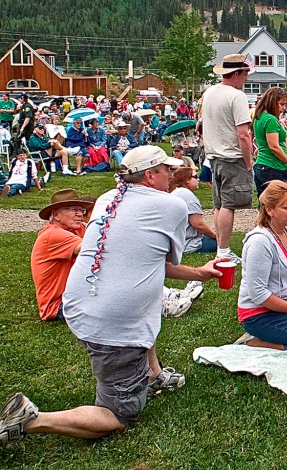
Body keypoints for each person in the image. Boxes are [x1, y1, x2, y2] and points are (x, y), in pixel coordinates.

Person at [0, 146, 223, 447]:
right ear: (149, 175)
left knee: (146, 306)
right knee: (119, 413)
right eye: (166, 169)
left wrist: (198, 273)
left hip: (80, 304)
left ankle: (153, 374)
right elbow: (166, 261)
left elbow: (152, 262)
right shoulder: (172, 206)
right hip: (112, 323)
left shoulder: (108, 198)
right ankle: (31, 419)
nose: (172, 174)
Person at [236, 180, 287, 350]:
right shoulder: (260, 241)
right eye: (286, 207)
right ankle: (256, 342)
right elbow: (258, 294)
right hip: (259, 315)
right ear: (269, 210)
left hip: (286, 306)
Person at [200, 53, 254, 262]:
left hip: (214, 156)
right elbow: (243, 134)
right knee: (229, 206)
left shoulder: (210, 92)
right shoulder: (236, 96)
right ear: (237, 74)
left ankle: (221, 248)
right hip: (232, 156)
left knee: (219, 204)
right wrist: (248, 163)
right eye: (245, 74)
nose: (246, 79)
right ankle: (223, 251)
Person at [30, 189, 95, 321]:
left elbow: (104, 234)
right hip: (58, 306)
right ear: (56, 215)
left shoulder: (78, 228)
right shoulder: (53, 235)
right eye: (73, 210)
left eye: (81, 210)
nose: (79, 214)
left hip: (75, 297)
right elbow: (93, 248)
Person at [252, 87, 287, 198]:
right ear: (272, 102)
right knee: (278, 203)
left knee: (265, 205)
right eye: (281, 104)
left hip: (262, 164)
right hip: (273, 167)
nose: (284, 108)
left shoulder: (260, 117)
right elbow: (273, 146)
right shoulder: (271, 119)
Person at [168, 166, 217, 253]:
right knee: (221, 243)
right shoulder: (187, 195)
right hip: (186, 243)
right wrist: (216, 236)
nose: (198, 180)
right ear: (187, 180)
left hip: (174, 242)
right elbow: (198, 225)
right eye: (195, 177)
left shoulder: (175, 192)